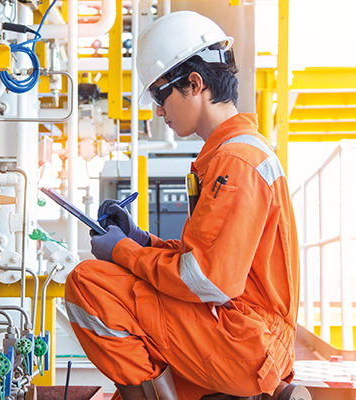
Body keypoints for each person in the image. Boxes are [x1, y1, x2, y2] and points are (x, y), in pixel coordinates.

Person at [65, 10, 311, 400]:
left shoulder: (236, 162)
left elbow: (207, 279)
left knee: (88, 283)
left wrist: (124, 252)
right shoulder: (235, 153)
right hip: (245, 334)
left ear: (194, 83)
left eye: (161, 95)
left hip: (245, 344)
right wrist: (143, 241)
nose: (159, 111)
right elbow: (211, 262)